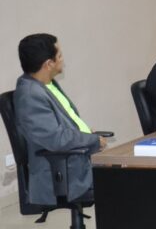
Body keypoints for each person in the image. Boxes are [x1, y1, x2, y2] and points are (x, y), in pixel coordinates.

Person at [14, 34, 107, 205]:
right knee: (129, 182)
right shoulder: (30, 95)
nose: (63, 60)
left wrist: (86, 133)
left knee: (133, 173)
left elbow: (66, 122)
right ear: (48, 64)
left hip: (77, 161)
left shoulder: (47, 84)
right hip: (65, 175)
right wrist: (92, 140)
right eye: (60, 56)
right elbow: (56, 139)